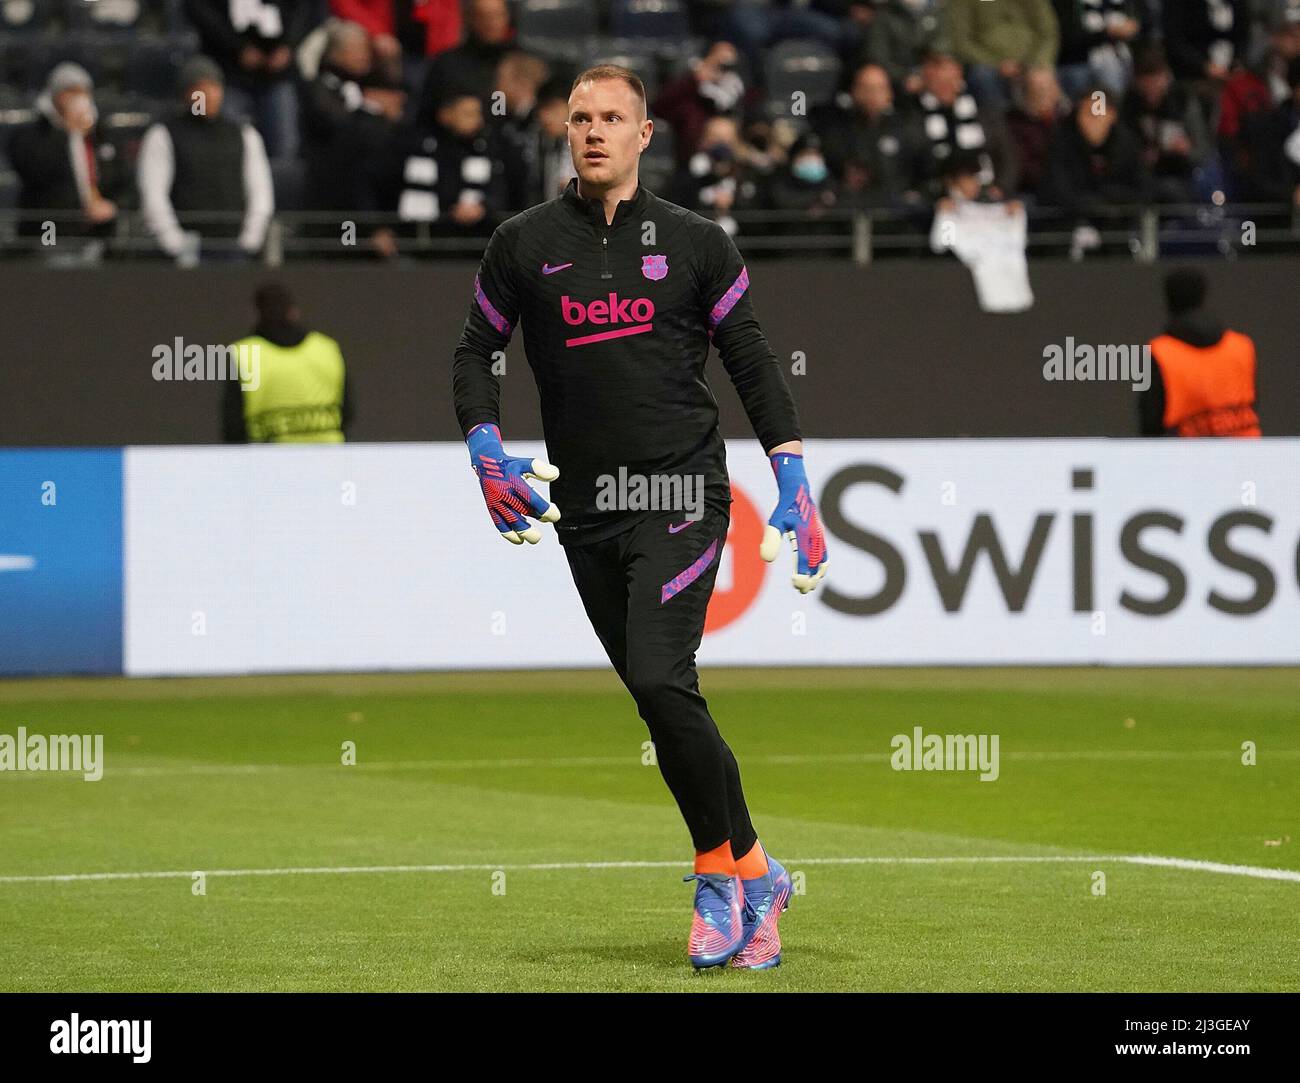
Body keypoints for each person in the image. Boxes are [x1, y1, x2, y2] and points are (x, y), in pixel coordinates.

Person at [451, 64, 827, 971]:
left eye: (612, 117)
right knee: (665, 706)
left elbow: (751, 358)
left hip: (682, 495)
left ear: (645, 135)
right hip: (586, 508)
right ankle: (760, 872)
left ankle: (713, 877)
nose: (593, 131)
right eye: (580, 117)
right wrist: (485, 449)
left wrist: (794, 472)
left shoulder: (698, 243)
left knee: (662, 679)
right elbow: (475, 354)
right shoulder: (521, 242)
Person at [137, 56, 275, 263]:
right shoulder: (163, 135)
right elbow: (153, 197)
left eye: (214, 87)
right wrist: (176, 243)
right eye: (200, 89)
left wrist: (249, 240)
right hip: (185, 250)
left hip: (233, 246)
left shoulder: (244, 134)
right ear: (186, 94)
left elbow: (260, 191)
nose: (208, 95)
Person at [8, 63, 122, 251]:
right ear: (53, 95)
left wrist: (111, 205)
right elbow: (36, 172)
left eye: (82, 92)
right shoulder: (31, 136)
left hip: (95, 232)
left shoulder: (100, 134)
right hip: (48, 229)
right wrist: (65, 130)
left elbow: (122, 178)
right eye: (69, 92)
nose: (77, 99)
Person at [223, 282, 353, 443]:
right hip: (329, 459)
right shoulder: (327, 348)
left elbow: (232, 426)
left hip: (266, 463)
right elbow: (347, 412)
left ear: (256, 314)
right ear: (293, 312)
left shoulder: (244, 353)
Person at [1140, 269, 1260, 437]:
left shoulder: (1157, 353)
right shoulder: (1242, 346)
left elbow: (1150, 425)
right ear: (1203, 297)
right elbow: (1253, 406)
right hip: (1246, 458)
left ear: (1168, 301)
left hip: (1185, 460)